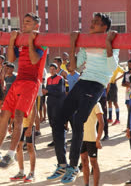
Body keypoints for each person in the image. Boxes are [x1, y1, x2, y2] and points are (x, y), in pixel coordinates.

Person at [48, 13, 119, 184]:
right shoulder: (87, 42)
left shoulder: (111, 40)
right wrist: (73, 44)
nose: (92, 24)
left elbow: (112, 68)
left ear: (104, 27)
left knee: (79, 121)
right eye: (92, 21)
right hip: (83, 81)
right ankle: (62, 164)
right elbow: (73, 67)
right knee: (58, 121)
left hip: (96, 84)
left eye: (96, 22)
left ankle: (73, 167)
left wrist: (108, 44)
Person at [0, 13, 47, 168]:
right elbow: (11, 58)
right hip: (19, 81)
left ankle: (10, 155)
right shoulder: (22, 40)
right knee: (4, 114)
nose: (24, 25)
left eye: (28, 22)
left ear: (36, 26)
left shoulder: (41, 40)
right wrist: (11, 41)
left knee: (18, 116)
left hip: (31, 82)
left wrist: (30, 42)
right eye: (23, 22)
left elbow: (35, 59)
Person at [9, 104, 37, 182]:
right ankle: (21, 172)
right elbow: (14, 111)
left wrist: (30, 126)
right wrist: (11, 124)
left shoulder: (31, 93)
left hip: (28, 124)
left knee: (30, 147)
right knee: (18, 147)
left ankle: (32, 173)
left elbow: (34, 111)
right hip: (19, 125)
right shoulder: (17, 94)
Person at [80, 103, 104, 186]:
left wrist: (98, 139)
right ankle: (86, 184)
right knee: (84, 161)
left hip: (92, 139)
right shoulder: (80, 102)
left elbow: (101, 122)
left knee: (93, 162)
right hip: (81, 138)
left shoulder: (96, 104)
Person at [43, 63, 66, 147]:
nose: (52, 70)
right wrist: (45, 92)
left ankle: (61, 141)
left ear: (57, 70)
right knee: (51, 122)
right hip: (50, 103)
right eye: (50, 69)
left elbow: (60, 92)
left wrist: (48, 92)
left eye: (53, 69)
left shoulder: (60, 78)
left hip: (58, 104)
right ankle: (55, 140)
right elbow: (47, 91)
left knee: (58, 123)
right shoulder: (48, 79)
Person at [121, 59, 131, 126]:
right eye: (128, 64)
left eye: (130, 64)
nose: (129, 66)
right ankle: (129, 126)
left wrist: (130, 84)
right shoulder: (125, 73)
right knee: (129, 111)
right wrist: (127, 84)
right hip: (127, 94)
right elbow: (122, 83)